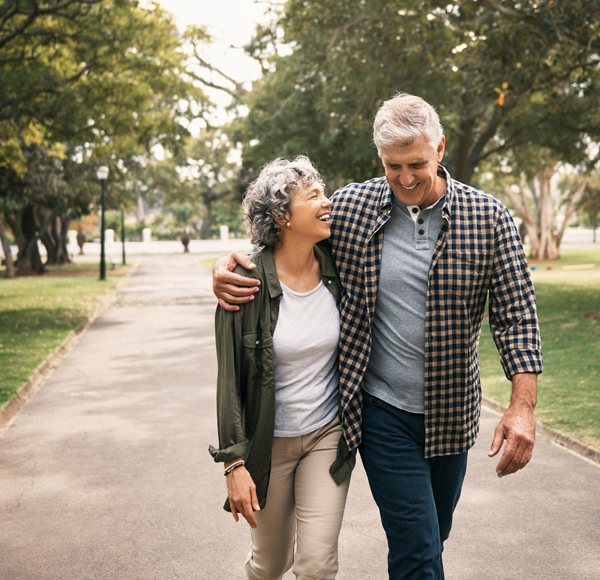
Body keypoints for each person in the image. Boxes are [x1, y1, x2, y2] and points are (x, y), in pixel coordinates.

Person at [213, 93, 543, 579]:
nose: (405, 178)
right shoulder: (351, 207)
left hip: (452, 412)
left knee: (434, 535)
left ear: (440, 149)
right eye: (393, 166)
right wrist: (225, 266)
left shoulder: (489, 218)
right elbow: (284, 237)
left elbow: (517, 317)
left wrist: (522, 407)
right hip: (381, 411)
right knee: (415, 544)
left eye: (416, 164)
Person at [209, 155, 355, 580]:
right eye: (314, 196)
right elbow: (228, 382)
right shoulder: (244, 283)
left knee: (316, 566)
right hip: (266, 446)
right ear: (281, 216)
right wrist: (233, 465)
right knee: (270, 565)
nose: (328, 203)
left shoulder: (339, 267)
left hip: (327, 437)